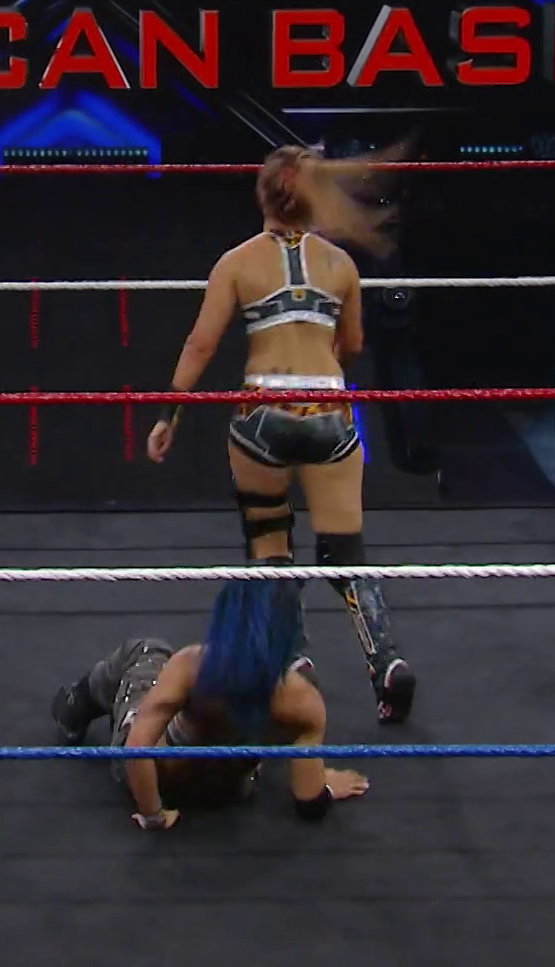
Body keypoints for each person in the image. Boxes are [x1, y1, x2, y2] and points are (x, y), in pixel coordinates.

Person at [146, 143, 417, 725]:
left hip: (263, 414)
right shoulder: (340, 266)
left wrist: (169, 415)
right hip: (328, 411)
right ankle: (387, 661)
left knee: (269, 547)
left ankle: (295, 667)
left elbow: (200, 344)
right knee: (345, 551)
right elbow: (352, 345)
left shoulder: (237, 262)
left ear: (263, 197)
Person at [50, 577, 371, 829]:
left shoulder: (192, 665)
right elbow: (309, 802)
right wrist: (321, 785)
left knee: (148, 652)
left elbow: (137, 749)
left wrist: (154, 815)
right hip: (228, 792)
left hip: (159, 782)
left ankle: (75, 706)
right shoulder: (303, 700)